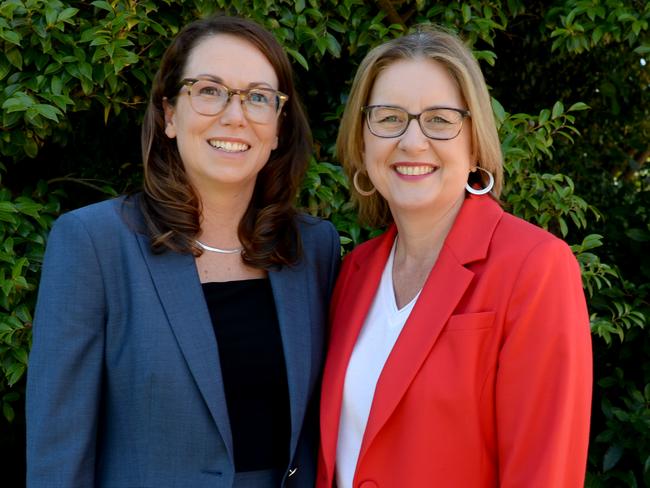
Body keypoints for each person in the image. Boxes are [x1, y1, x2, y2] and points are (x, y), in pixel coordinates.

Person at [26, 14, 340, 488]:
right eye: (210, 90)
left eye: (258, 97)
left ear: (277, 128)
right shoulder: (94, 243)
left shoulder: (313, 248)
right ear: (170, 114)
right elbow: (59, 453)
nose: (235, 115)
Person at [317, 26, 592, 488]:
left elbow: (544, 473)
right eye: (388, 118)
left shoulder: (535, 266)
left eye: (440, 120)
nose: (412, 141)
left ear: (474, 141)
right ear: (362, 141)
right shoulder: (353, 272)